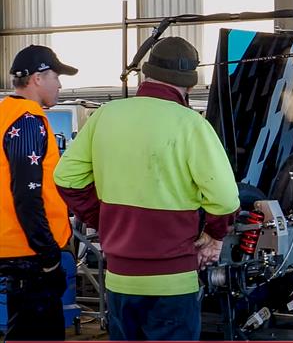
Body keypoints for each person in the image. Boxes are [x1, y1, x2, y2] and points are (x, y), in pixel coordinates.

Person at [54, 37, 240, 341]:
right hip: (173, 282)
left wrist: (101, 219)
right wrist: (214, 237)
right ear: (190, 85)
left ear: (146, 74)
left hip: (120, 279)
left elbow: (66, 177)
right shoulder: (191, 124)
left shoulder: (104, 115)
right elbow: (225, 198)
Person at [0, 45, 77, 340]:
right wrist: (49, 258)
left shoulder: (5, 114)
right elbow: (27, 195)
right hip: (29, 255)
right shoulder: (28, 121)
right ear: (37, 78)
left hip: (12, 247)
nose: (59, 85)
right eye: (56, 76)